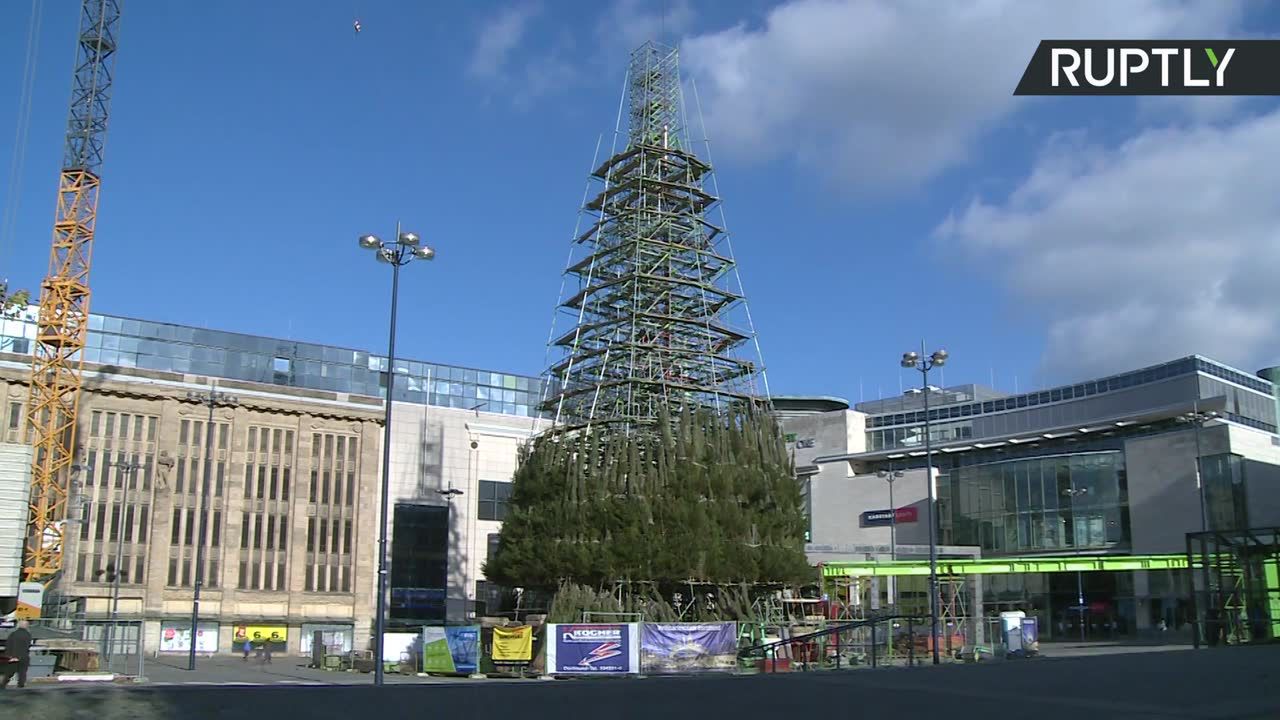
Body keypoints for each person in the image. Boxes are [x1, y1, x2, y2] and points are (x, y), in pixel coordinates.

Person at [0, 620, 33, 689]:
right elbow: (28, 646)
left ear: (18, 625)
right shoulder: (28, 635)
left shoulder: (13, 634)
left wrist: (8, 656)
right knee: (22, 673)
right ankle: (21, 686)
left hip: (13, 656)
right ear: (27, 626)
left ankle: (2, 686)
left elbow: (8, 645)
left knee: (9, 672)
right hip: (24, 657)